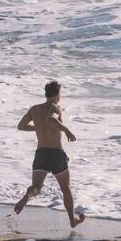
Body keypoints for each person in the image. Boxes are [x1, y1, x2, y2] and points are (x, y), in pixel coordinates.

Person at [14, 81, 85, 228]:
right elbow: (50, 119)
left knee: (36, 188)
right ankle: (72, 220)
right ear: (58, 94)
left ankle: (29, 194)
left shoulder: (34, 109)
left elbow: (21, 126)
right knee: (66, 188)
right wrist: (66, 130)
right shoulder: (55, 107)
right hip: (56, 153)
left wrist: (39, 128)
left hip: (41, 153)